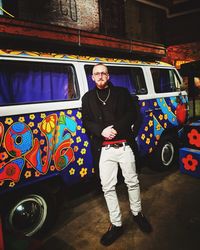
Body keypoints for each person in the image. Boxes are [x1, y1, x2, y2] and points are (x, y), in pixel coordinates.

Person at [82, 63, 152, 246]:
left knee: (132, 181)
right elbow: (86, 121)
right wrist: (101, 131)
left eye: (103, 73)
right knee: (108, 187)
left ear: (108, 75)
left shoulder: (122, 92)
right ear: (92, 77)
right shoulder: (87, 98)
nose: (100, 76)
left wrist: (116, 129)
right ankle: (117, 224)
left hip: (124, 146)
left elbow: (132, 113)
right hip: (104, 149)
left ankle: (137, 214)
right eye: (97, 73)